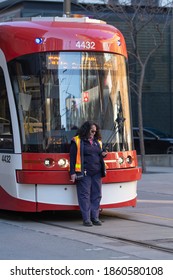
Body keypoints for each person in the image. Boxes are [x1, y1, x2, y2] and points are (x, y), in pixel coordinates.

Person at [70, 121, 107, 227]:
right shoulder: (77, 141)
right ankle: (86, 219)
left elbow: (98, 155)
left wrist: (103, 154)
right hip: (84, 172)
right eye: (92, 131)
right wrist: (72, 173)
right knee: (84, 196)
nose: (93, 133)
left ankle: (95, 217)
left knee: (97, 195)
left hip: (97, 172)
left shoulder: (97, 142)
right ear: (86, 130)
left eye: (95, 131)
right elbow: (72, 158)